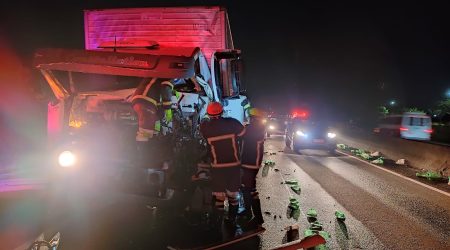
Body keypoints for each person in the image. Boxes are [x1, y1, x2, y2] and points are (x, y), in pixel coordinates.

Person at [199, 102, 245, 228]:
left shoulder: (206, 127)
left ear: (208, 113)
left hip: (218, 167)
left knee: (219, 197)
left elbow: (202, 127)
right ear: (222, 111)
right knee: (233, 196)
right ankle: (231, 220)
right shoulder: (232, 123)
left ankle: (216, 222)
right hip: (234, 166)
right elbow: (242, 133)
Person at [130, 78, 174, 167]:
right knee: (146, 132)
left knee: (150, 130)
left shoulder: (161, 74)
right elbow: (166, 88)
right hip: (146, 100)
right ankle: (144, 158)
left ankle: (146, 158)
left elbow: (164, 90)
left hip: (144, 100)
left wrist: (165, 111)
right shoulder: (168, 73)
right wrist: (167, 108)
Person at [240, 108, 266, 226]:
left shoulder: (253, 130)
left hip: (250, 163)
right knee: (246, 188)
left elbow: (239, 134)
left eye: (251, 118)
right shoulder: (255, 128)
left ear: (256, 119)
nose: (249, 119)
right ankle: (248, 211)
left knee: (250, 190)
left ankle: (258, 217)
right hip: (249, 162)